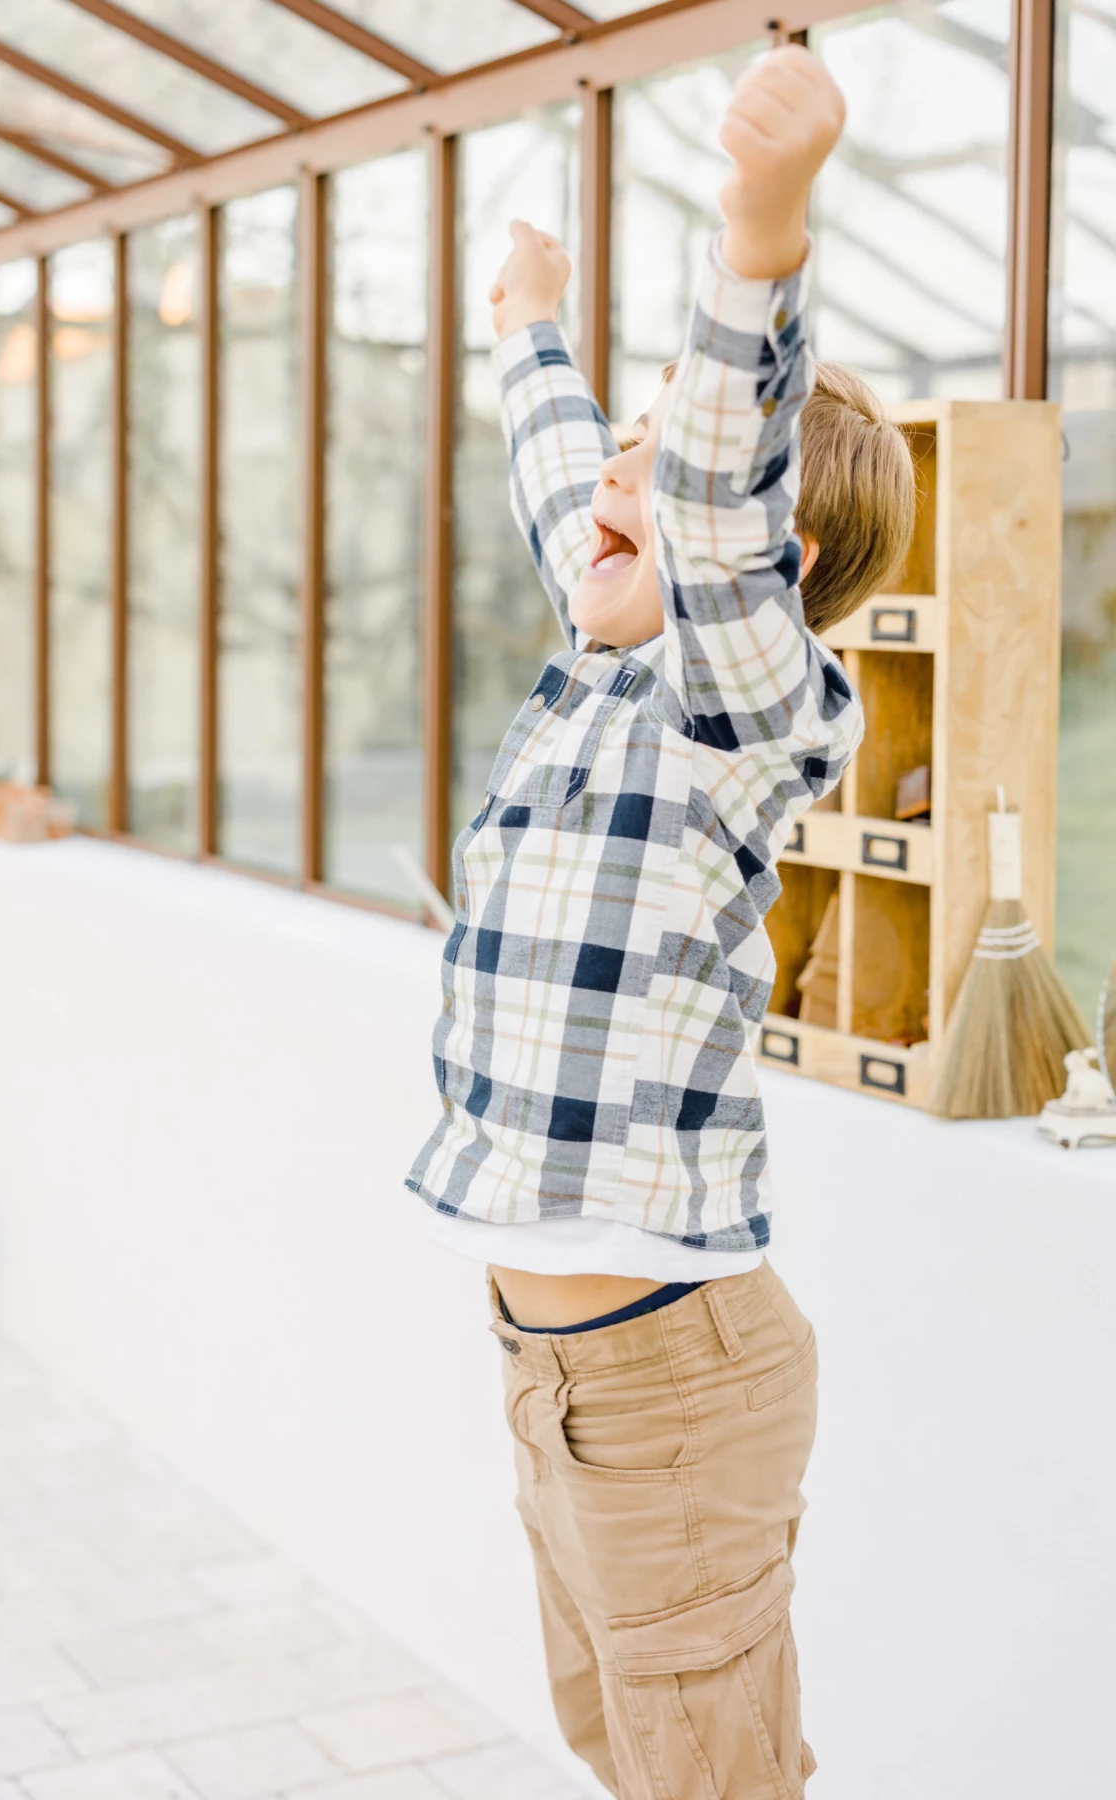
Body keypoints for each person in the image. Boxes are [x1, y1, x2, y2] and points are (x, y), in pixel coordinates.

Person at [406, 45, 915, 1798]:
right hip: (559, 1379)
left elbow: (696, 503)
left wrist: (755, 238)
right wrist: (527, 327)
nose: (616, 483)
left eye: (658, 462)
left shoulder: (744, 706)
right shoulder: (607, 657)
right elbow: (585, 487)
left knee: (707, 1780)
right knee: (624, 1755)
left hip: (669, 1389)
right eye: (625, 451)